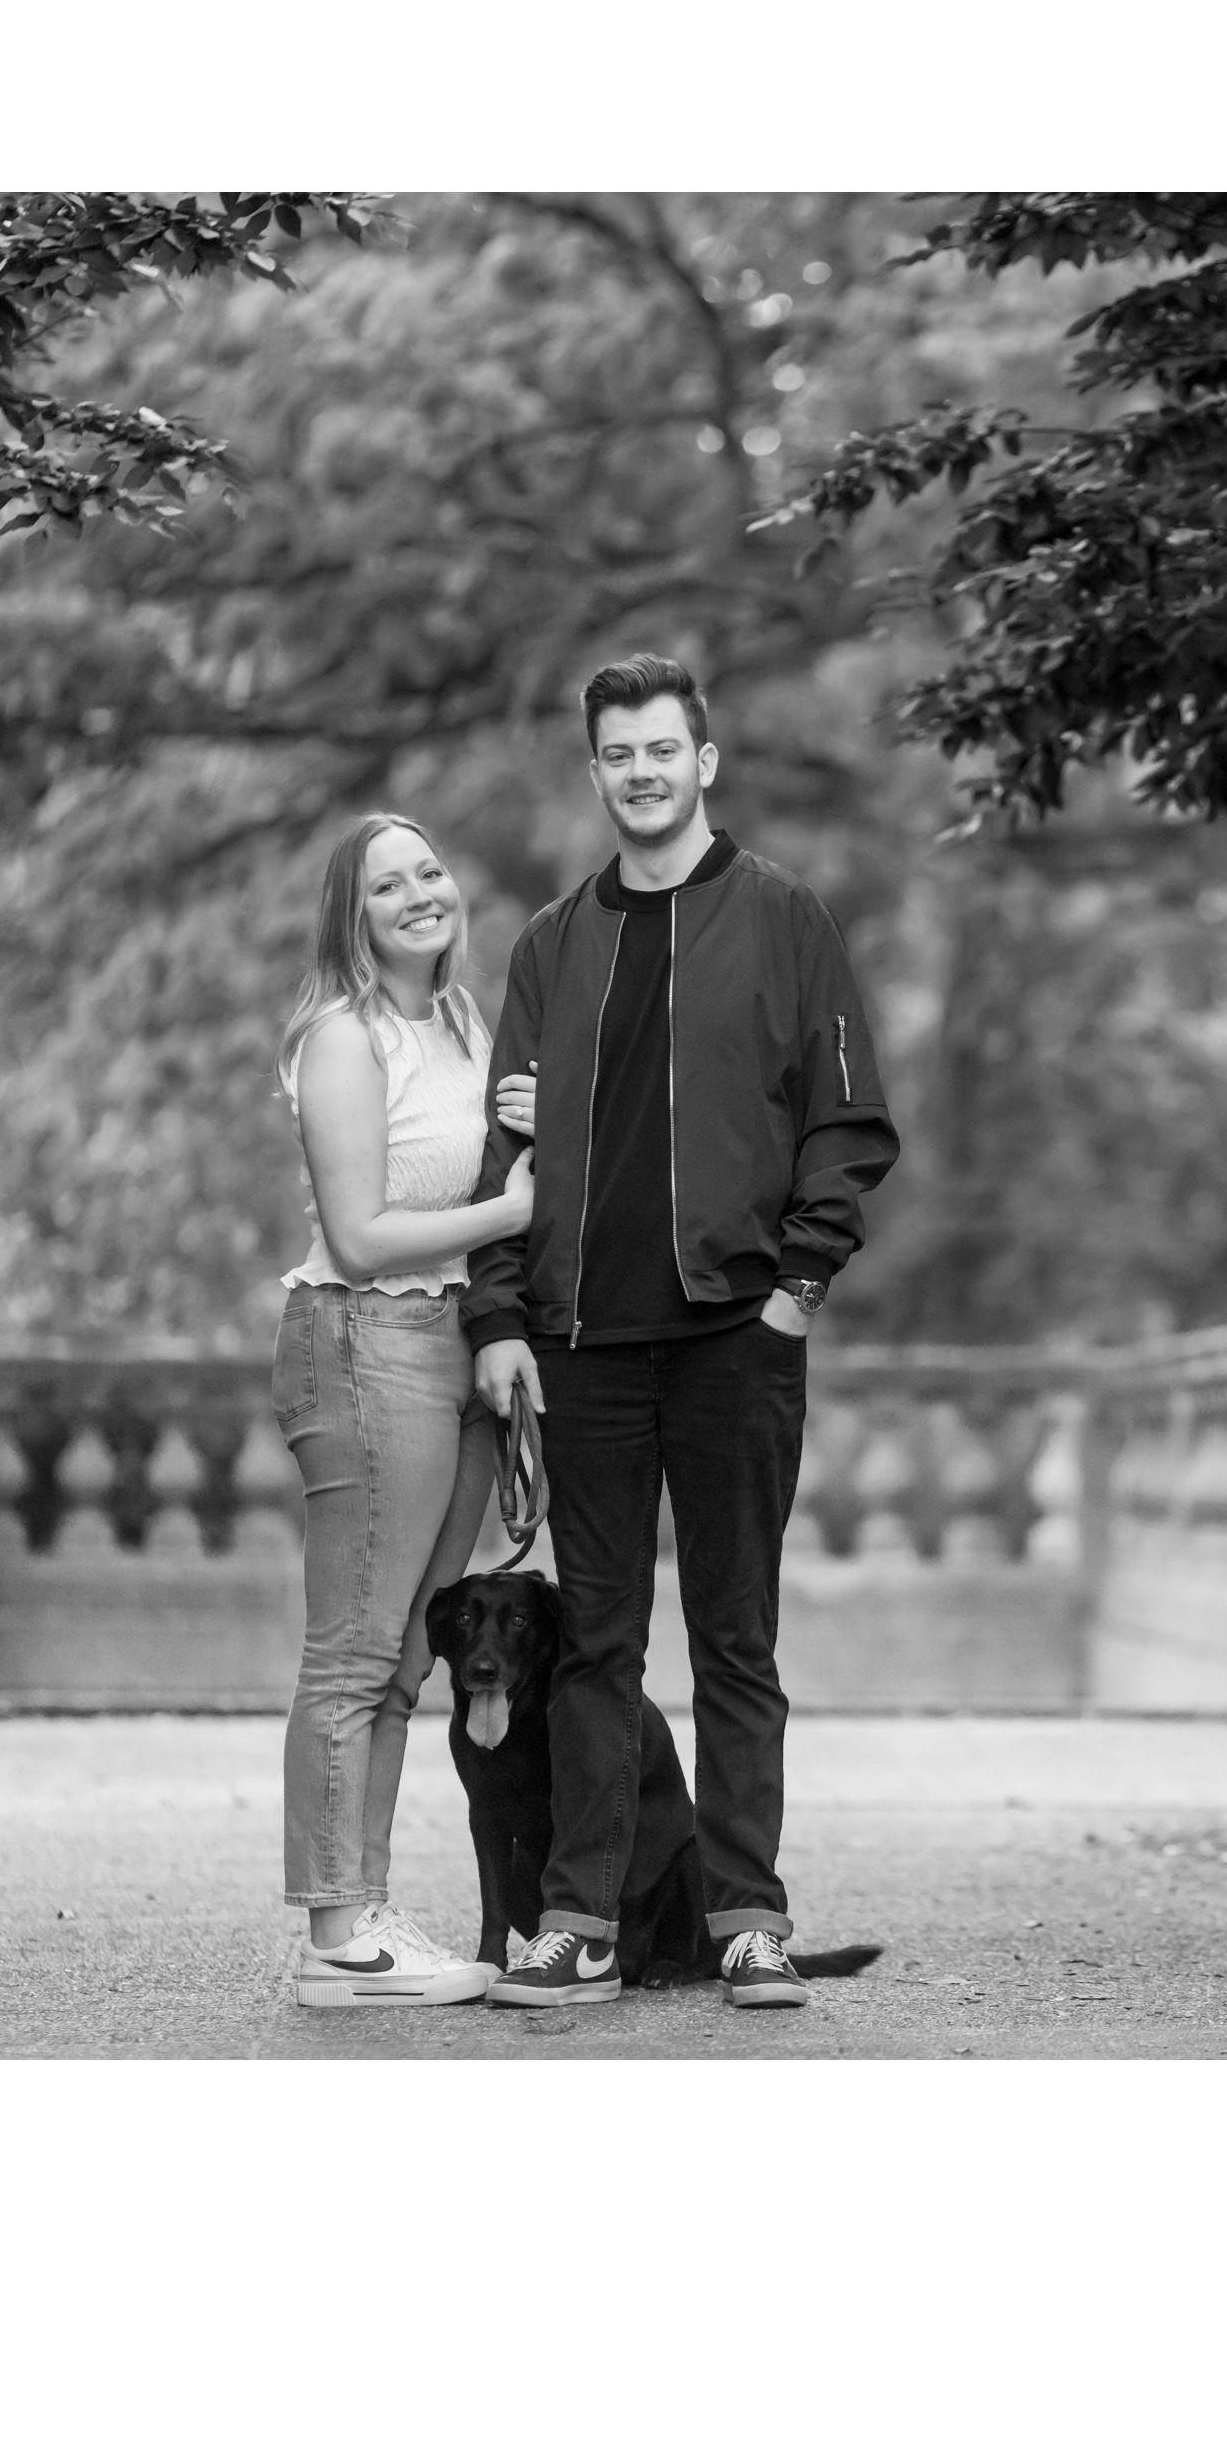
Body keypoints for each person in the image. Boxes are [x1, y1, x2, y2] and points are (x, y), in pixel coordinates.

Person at [462, 654, 899, 2010]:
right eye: (619, 753)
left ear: (703, 762)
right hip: (584, 1345)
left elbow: (846, 1122)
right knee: (593, 1644)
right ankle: (578, 1920)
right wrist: (499, 1315)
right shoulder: (551, 947)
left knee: (734, 1641)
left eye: (663, 748)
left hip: (735, 1340)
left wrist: (794, 1292)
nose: (641, 771)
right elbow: (504, 1157)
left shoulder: (782, 918)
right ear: (596, 771)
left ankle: (748, 1917)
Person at [274, 810, 540, 2009]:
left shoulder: (467, 1023)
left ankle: (363, 1913)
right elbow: (360, 1236)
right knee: (355, 1650)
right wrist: (509, 1214)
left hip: (454, 1340)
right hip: (362, 1339)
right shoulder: (343, 1035)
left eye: (429, 871)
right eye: (387, 885)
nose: (419, 894)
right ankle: (335, 1933)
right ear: (353, 914)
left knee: (409, 1657)